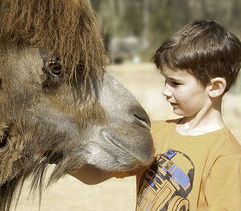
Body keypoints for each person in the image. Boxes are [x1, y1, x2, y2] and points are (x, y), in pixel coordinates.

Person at [70, 20, 241, 210]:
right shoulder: (157, 133)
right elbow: (95, 175)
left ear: (215, 87)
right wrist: (53, 152)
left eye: (175, 83)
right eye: (165, 81)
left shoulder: (227, 156)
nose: (165, 91)